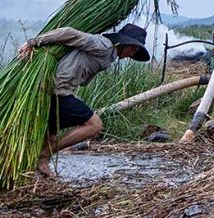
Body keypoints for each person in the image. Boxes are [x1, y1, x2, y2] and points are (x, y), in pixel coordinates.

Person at [24, 20, 151, 175]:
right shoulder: (103, 45)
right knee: (95, 125)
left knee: (51, 135)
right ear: (122, 42)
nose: (133, 52)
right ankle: (46, 155)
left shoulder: (110, 53)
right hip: (57, 92)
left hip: (56, 91)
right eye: (132, 47)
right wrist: (33, 43)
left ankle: (40, 168)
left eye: (136, 50)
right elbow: (68, 33)